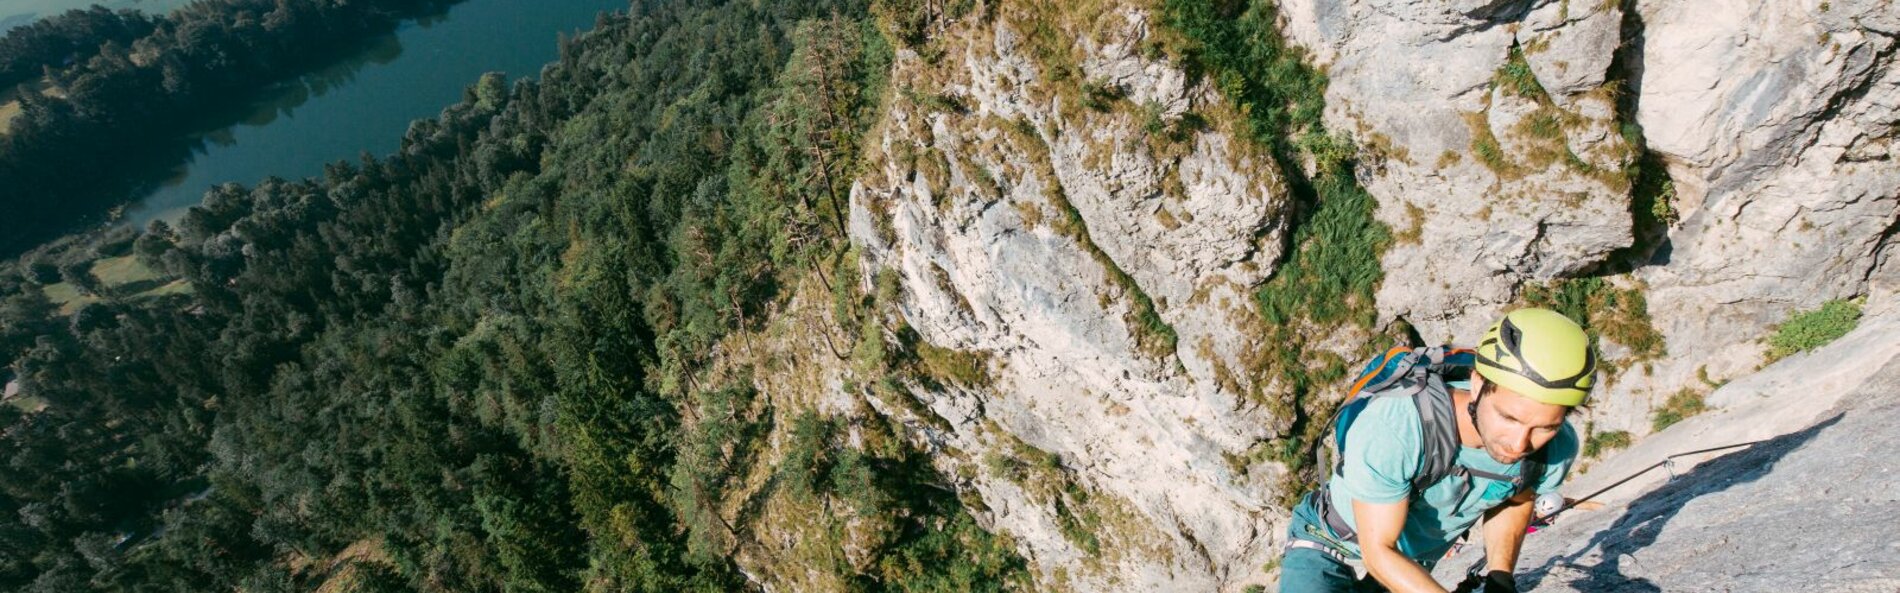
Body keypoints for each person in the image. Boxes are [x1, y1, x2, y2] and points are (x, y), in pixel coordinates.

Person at [1278, 308, 1592, 593]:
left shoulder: (1555, 449)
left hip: (1413, 562)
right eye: (1508, 417)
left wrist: (1500, 576)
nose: (1519, 443)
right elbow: (1378, 552)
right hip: (1331, 540)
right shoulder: (1398, 427)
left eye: (1545, 427)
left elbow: (1515, 497)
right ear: (1478, 384)